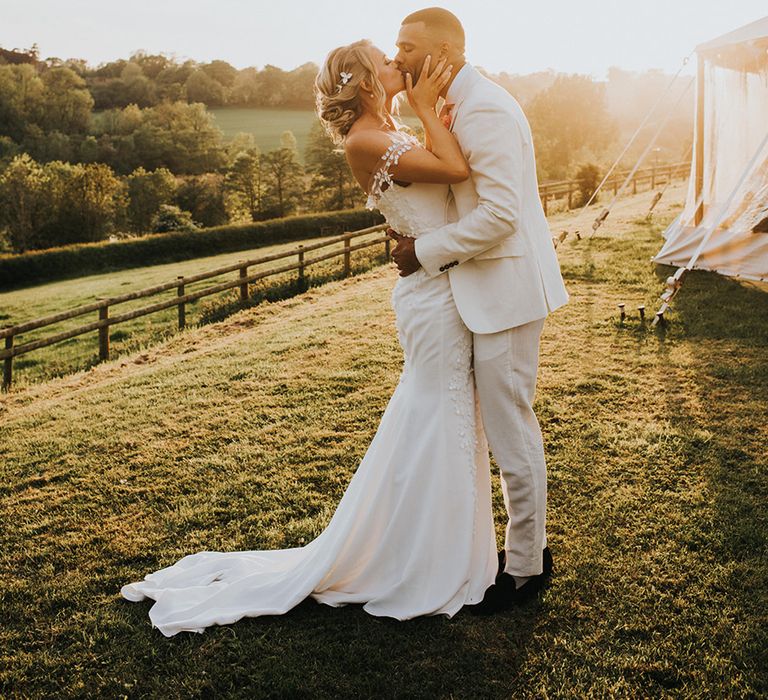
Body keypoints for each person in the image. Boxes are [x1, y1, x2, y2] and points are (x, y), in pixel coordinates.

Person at [120, 35, 501, 637]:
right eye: (385, 59)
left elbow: (443, 187)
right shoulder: (367, 140)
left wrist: (432, 115)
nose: (397, 63)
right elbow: (455, 169)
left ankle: (433, 543)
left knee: (445, 412)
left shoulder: (390, 133)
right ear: (364, 79)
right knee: (438, 410)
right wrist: (431, 108)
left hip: (442, 282)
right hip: (431, 299)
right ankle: (422, 557)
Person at [387, 7, 569, 614]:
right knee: (500, 426)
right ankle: (520, 554)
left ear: (445, 51)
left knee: (511, 430)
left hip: (508, 294)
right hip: (482, 291)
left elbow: (499, 216)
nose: (398, 57)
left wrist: (424, 250)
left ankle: (526, 567)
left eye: (408, 46)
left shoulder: (485, 107)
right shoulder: (451, 104)